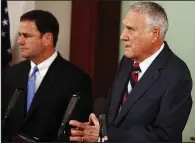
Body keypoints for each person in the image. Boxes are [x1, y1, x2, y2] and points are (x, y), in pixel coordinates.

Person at [69, 2, 193, 142]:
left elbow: (164, 137)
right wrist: (96, 128)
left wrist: (105, 136)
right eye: (124, 28)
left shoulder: (177, 75)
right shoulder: (127, 61)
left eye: (130, 29)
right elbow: (113, 112)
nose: (123, 36)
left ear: (154, 34)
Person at [1, 10, 93, 142]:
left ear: (47, 39)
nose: (20, 41)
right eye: (20, 35)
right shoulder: (11, 74)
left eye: (26, 36)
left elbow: (75, 133)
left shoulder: (76, 79)